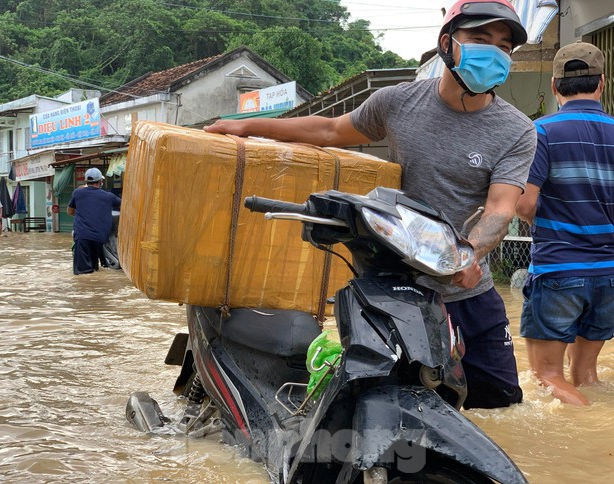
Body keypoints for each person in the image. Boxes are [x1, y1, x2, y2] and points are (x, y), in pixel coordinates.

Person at [204, 0, 537, 409]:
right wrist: (246, 125)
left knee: (501, 411)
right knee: (384, 403)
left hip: (470, 293)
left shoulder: (517, 129)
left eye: (504, 46)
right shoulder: (398, 102)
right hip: (396, 289)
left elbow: (500, 209)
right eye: (481, 39)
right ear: (448, 44)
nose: (495, 52)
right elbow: (328, 129)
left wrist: (468, 254)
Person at [516, 42, 614, 406]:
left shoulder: (541, 131)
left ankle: (584, 436)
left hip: (559, 268)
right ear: (601, 84)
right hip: (610, 275)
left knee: (547, 377)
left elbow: (525, 203)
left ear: (555, 87)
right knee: (587, 374)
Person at [67, 168, 121, 275]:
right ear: (101, 181)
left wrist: (82, 215)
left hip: (82, 237)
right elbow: (125, 206)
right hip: (100, 239)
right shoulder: (109, 196)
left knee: (83, 274)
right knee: (95, 270)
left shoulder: (77, 193)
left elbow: (70, 211)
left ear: (86, 181)